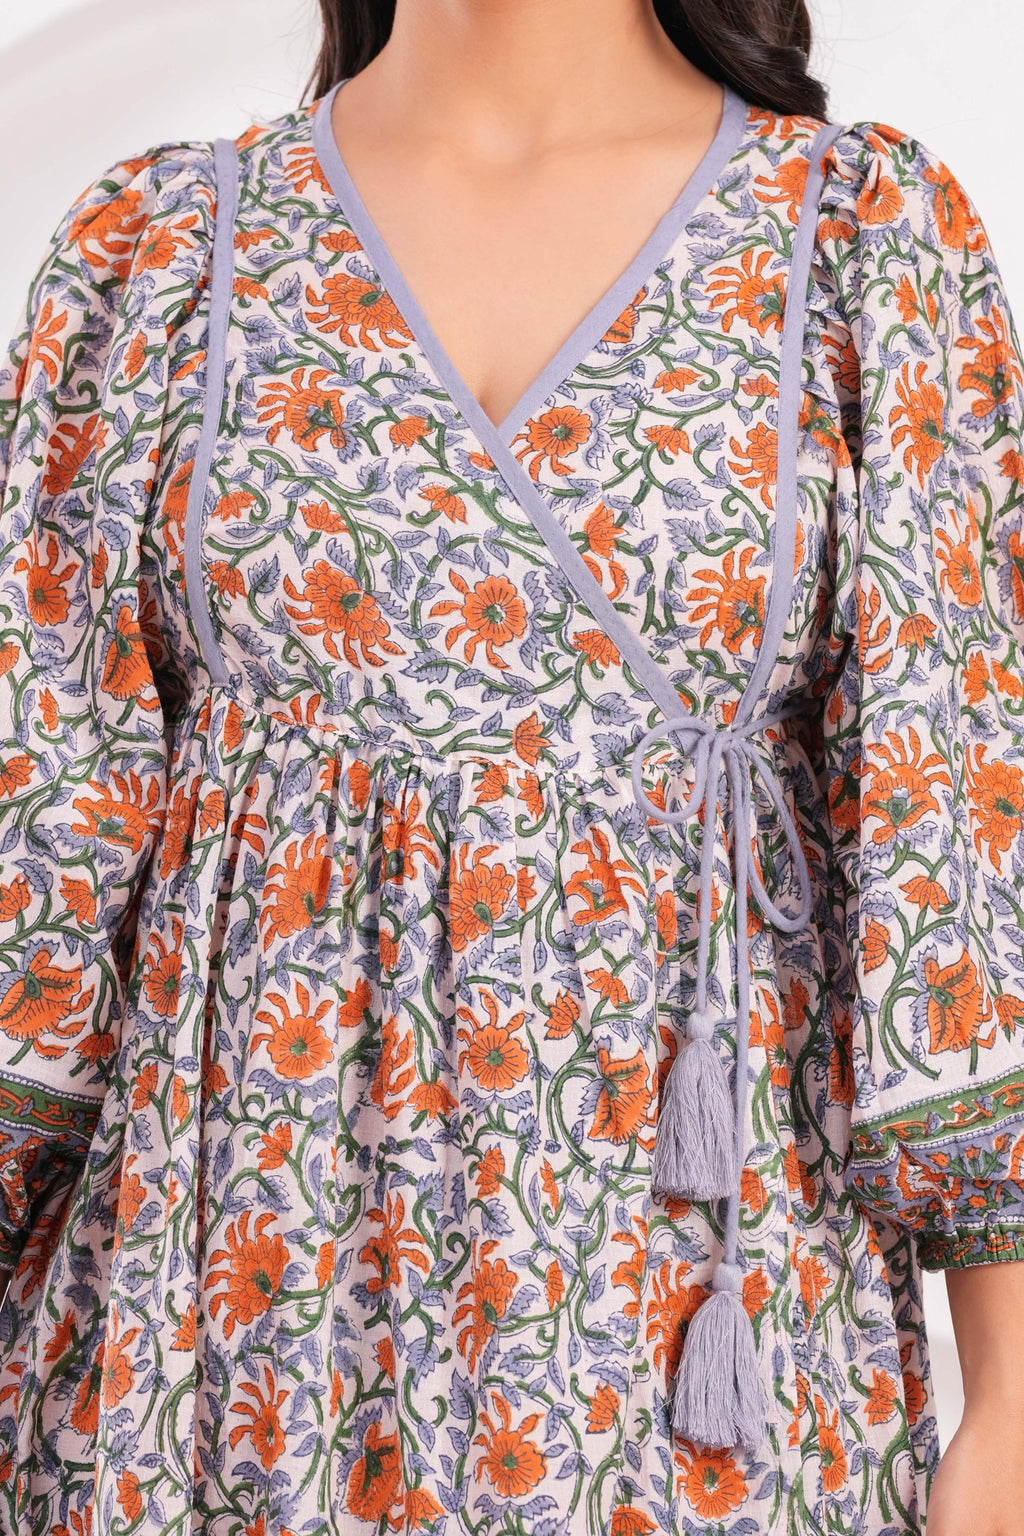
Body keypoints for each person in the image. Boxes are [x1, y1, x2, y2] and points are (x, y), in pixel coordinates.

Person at [0, 0, 1022, 1531]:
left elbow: (955, 858)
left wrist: (1007, 1412)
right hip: (223, 1357)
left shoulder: (865, 243)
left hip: (691, 1371)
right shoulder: (153, 255)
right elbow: (39, 873)